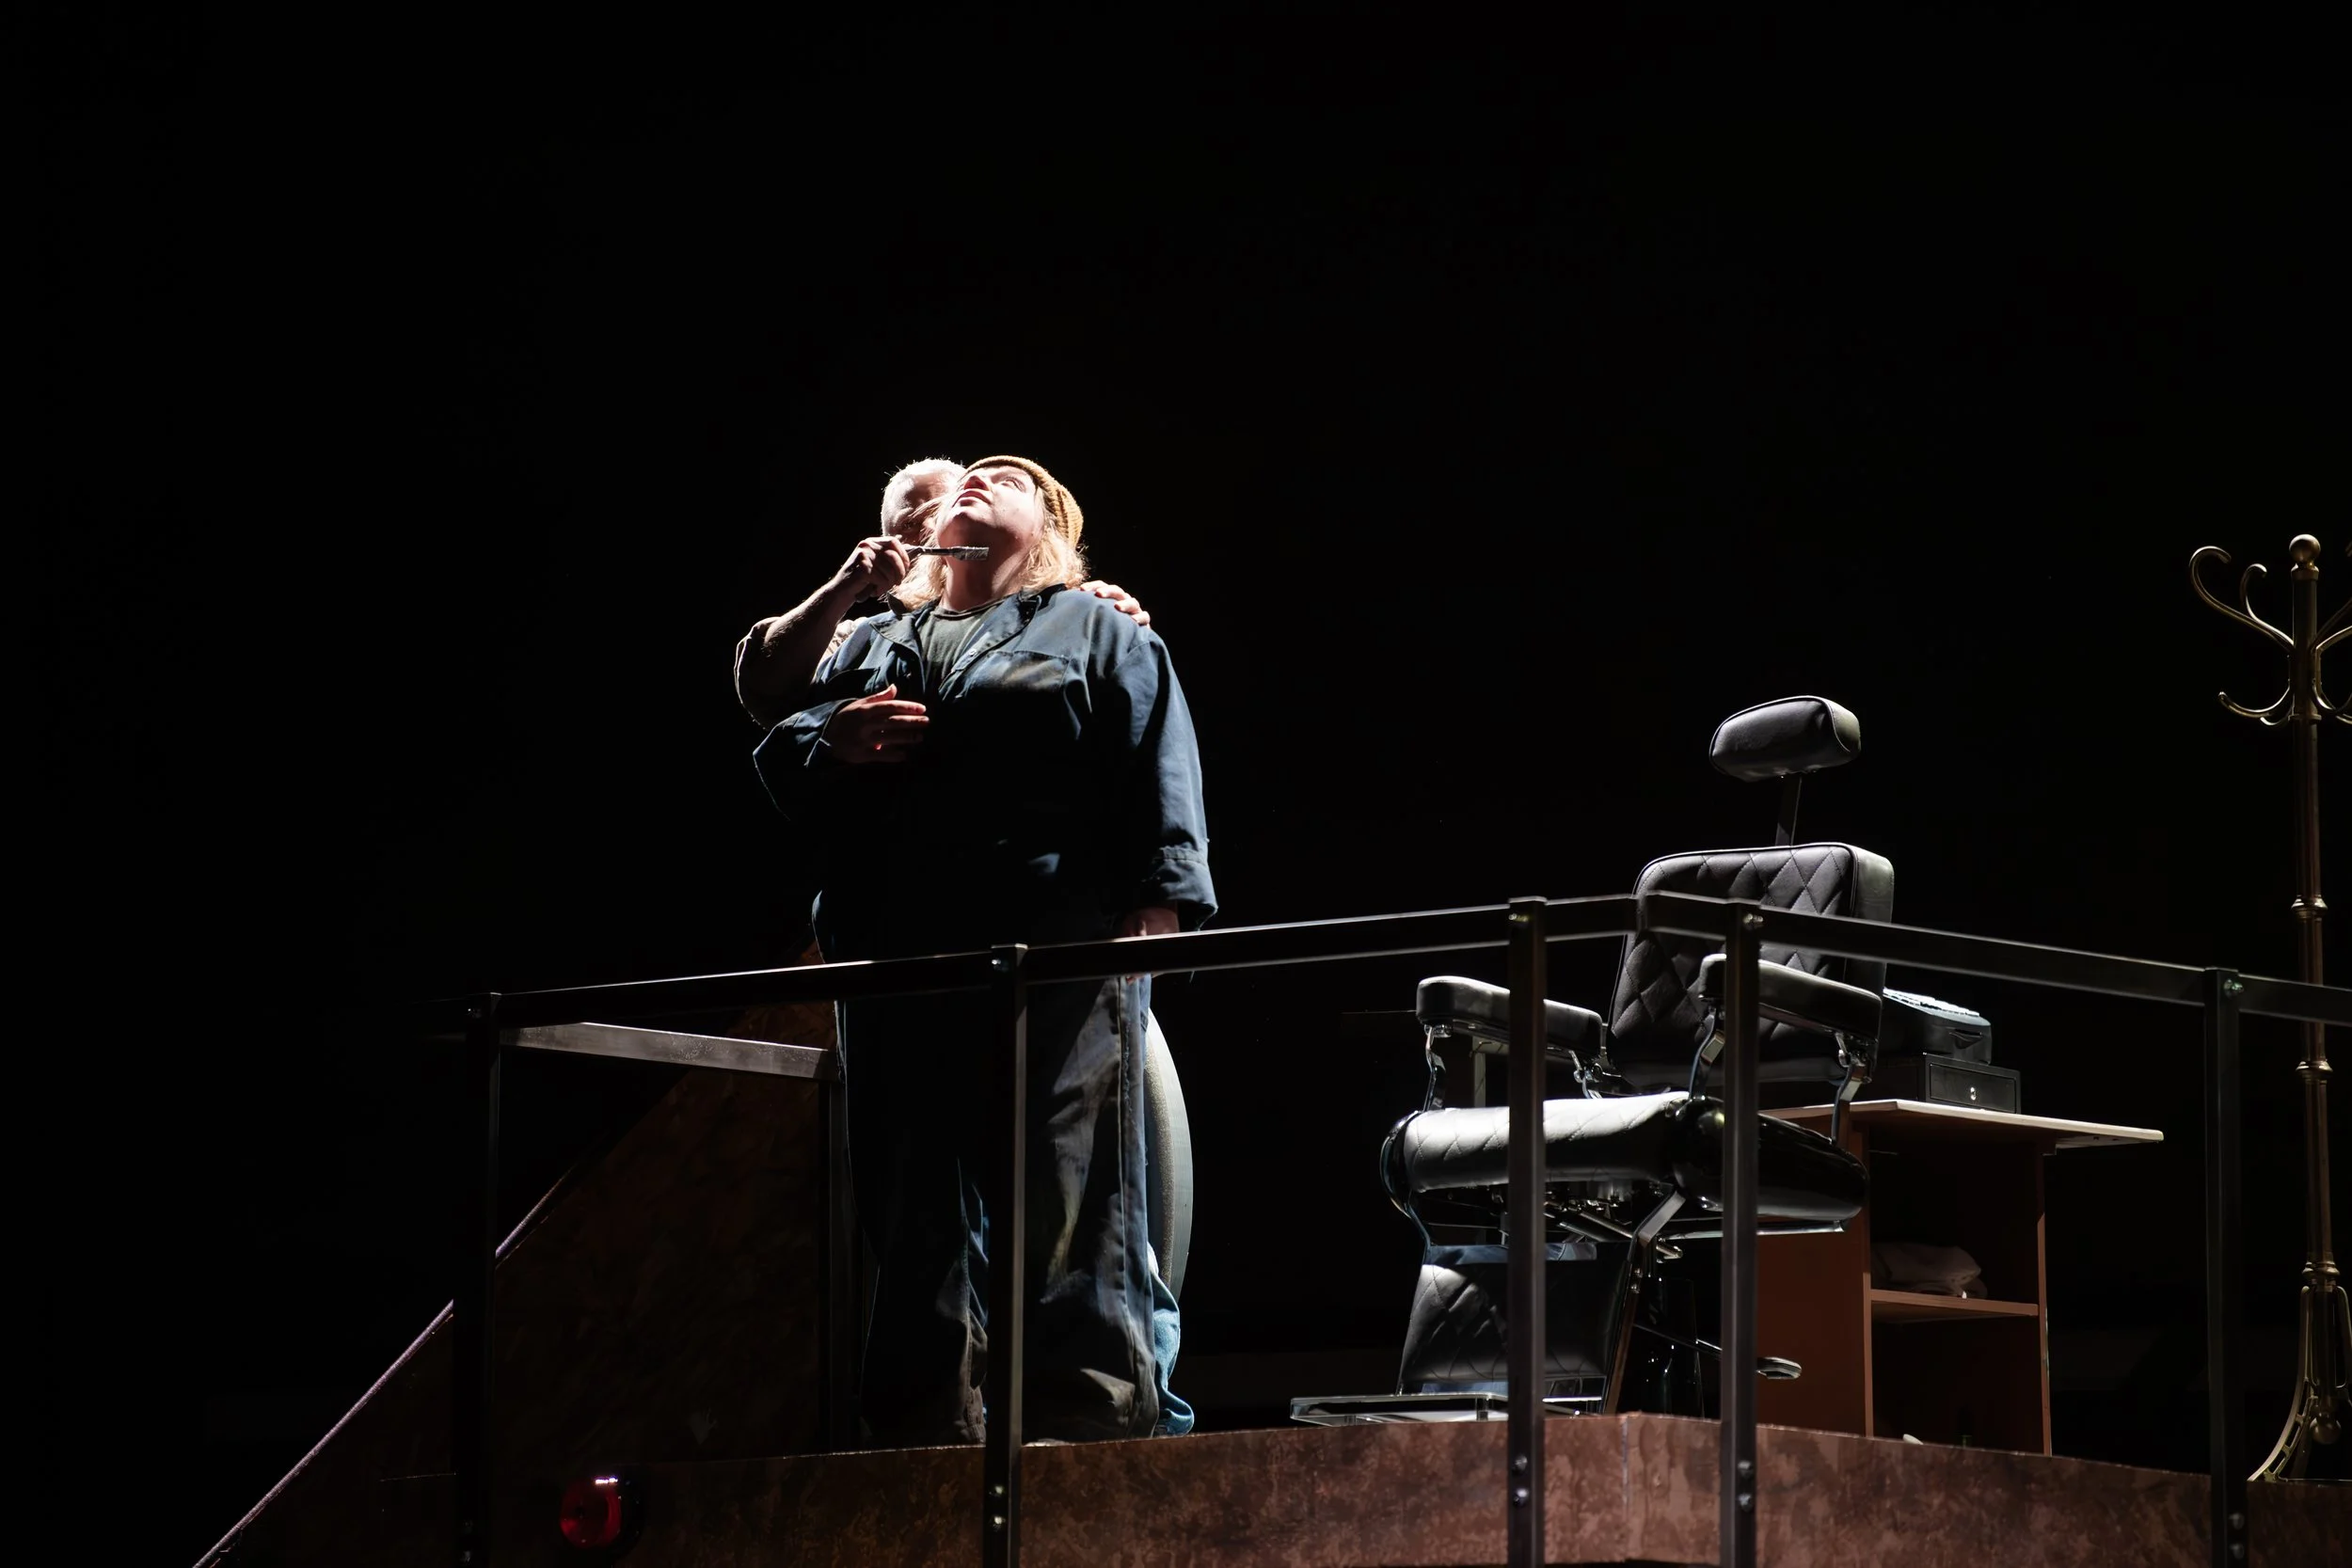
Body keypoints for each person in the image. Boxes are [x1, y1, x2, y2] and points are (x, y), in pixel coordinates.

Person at [754, 455, 1213, 1447]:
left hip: (1051, 950)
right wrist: (830, 736)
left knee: (1072, 1189)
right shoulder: (874, 636)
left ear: (1046, 521)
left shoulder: (1095, 626)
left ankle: (1090, 1424)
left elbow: (1156, 762)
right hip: (896, 958)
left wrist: (1157, 913)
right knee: (914, 1204)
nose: (975, 478)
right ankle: (927, 1433)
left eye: (1002, 475)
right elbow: (772, 713)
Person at [732, 458, 1150, 730]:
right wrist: (828, 726)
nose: (923, 538)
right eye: (907, 528)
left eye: (938, 511)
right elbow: (769, 698)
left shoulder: (1082, 620)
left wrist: (1103, 620)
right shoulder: (862, 640)